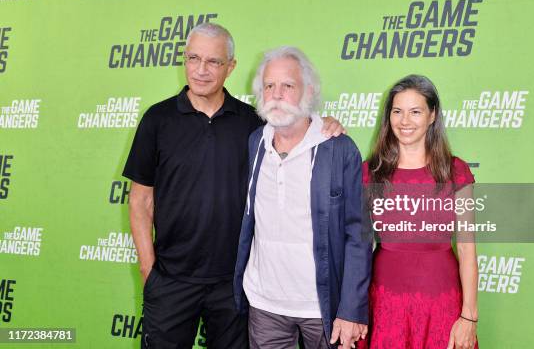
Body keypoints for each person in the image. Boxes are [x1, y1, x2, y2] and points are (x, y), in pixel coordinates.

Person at [123, 23, 344, 349]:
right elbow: (140, 201)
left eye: (213, 61)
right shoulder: (157, 120)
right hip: (170, 280)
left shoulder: (253, 123)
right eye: (193, 58)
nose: (200, 70)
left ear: (231, 67)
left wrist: (325, 123)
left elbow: (295, 128)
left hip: (235, 283)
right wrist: (149, 271)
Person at [233, 46, 372, 349]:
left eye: (288, 85)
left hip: (322, 307)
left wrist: (351, 309)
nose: (277, 94)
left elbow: (359, 236)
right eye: (269, 86)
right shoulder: (255, 143)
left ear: (308, 91)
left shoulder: (339, 148)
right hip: (265, 305)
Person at [360, 75, 478, 349]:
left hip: (443, 303)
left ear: (432, 115)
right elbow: (358, 247)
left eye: (415, 112)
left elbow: (467, 250)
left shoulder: (455, 171)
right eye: (397, 111)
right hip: (385, 303)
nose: (405, 121)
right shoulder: (369, 173)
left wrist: (469, 316)